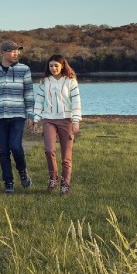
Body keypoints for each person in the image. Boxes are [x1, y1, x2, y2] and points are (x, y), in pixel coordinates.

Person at [0, 40, 35, 194]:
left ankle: (22, 171)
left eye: (17, 51)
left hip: (18, 114)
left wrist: (30, 114)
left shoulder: (24, 70)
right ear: (3, 53)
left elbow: (29, 94)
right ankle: (8, 182)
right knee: (4, 150)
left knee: (15, 146)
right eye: (12, 51)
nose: (16, 53)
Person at [33, 54, 82, 196]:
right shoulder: (44, 82)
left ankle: (65, 184)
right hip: (48, 120)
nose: (53, 68)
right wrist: (36, 120)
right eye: (51, 66)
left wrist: (76, 121)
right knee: (49, 150)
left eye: (56, 65)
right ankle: (53, 178)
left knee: (66, 157)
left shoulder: (70, 81)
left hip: (66, 120)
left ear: (62, 66)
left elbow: (76, 102)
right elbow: (39, 101)